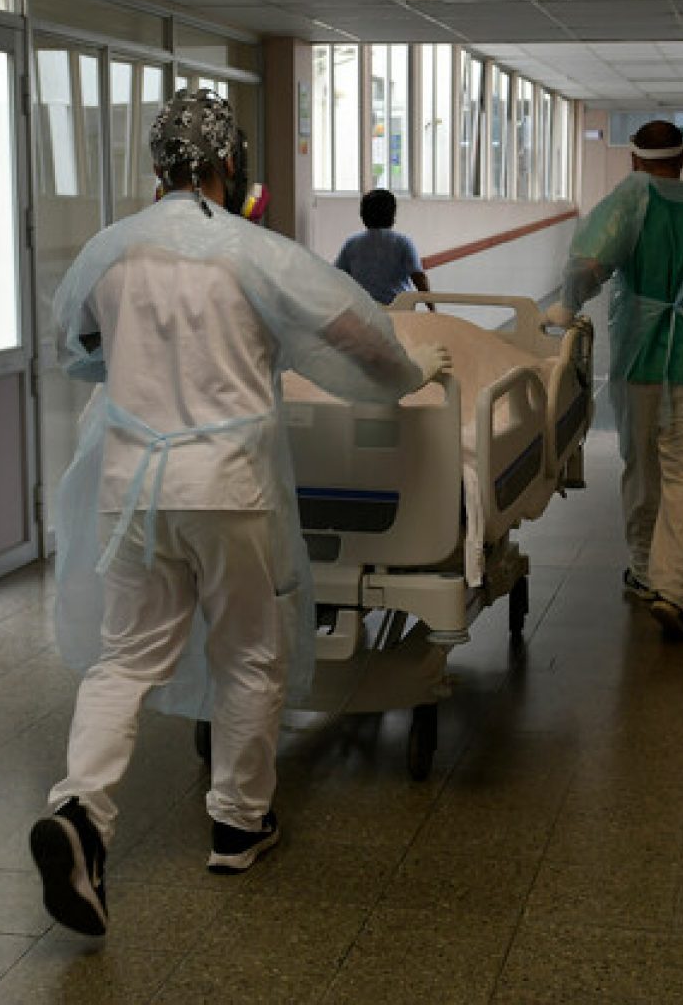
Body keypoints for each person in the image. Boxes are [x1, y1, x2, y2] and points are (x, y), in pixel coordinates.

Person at [28, 88, 451, 937]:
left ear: (157, 167)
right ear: (229, 163)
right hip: (226, 486)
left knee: (123, 660)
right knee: (249, 652)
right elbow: (360, 338)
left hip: (133, 490)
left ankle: (81, 814)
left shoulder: (111, 252)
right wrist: (411, 373)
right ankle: (237, 824)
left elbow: (77, 346)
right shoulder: (253, 253)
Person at [546, 120, 683, 639]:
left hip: (640, 357)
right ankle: (675, 591)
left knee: (641, 462)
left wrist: (569, 305)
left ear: (634, 160)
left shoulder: (630, 198)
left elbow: (588, 263)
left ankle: (644, 570)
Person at [335, 188, 435, 310]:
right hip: (399, 310)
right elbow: (419, 278)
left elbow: (337, 276)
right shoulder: (402, 242)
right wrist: (432, 308)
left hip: (364, 311)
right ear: (392, 215)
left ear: (363, 216)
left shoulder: (352, 243)